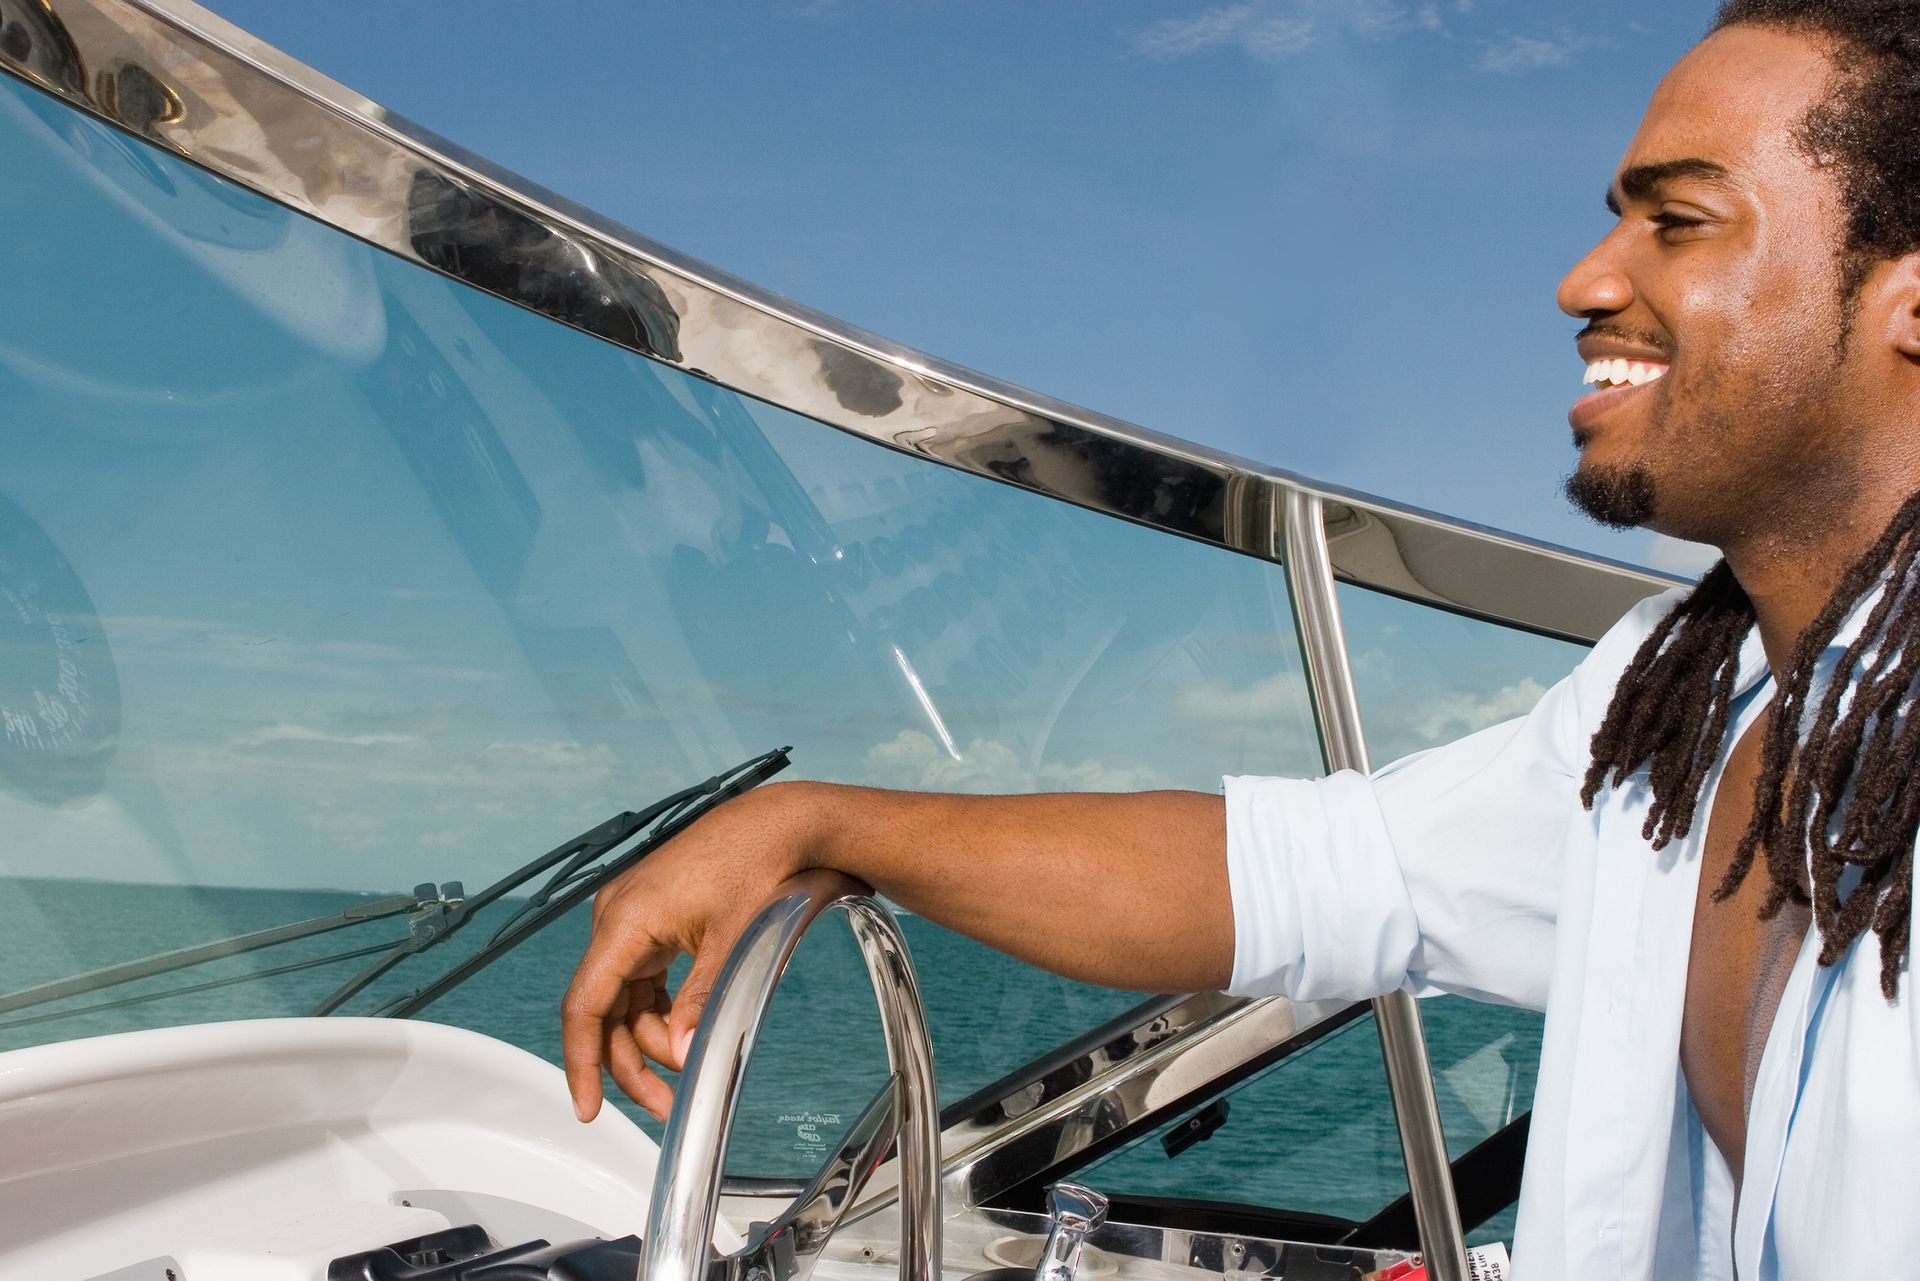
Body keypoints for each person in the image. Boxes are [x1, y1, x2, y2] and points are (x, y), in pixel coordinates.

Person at [563, 3, 1920, 1276]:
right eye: (1615, 218)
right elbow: (1298, 873)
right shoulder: (1678, 700)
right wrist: (821, 822)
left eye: (1679, 221)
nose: (1584, 280)